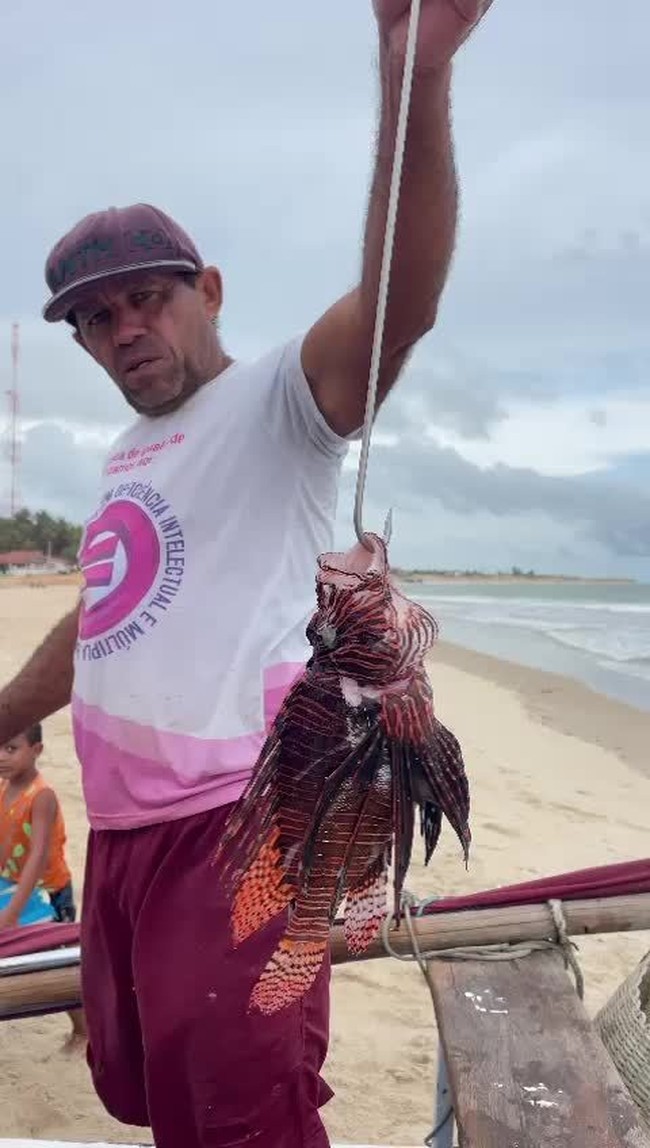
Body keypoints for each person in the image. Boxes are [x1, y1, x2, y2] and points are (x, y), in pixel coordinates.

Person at [0, 4, 491, 1145]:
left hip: (241, 831)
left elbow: (395, 303)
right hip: (122, 837)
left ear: (209, 289)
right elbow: (101, 625)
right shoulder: (129, 454)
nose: (123, 329)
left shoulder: (279, 401)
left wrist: (410, 76)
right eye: (95, 317)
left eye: (147, 299)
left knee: (241, 1111)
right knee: (142, 1089)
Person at [0, 723, 88, 1050]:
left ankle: (82, 1030)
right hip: (11, 883)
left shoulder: (42, 796)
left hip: (48, 891)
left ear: (36, 751)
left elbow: (37, 857)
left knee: (58, 959)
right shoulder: (4, 786)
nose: (2, 757)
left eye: (11, 749)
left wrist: (12, 913)